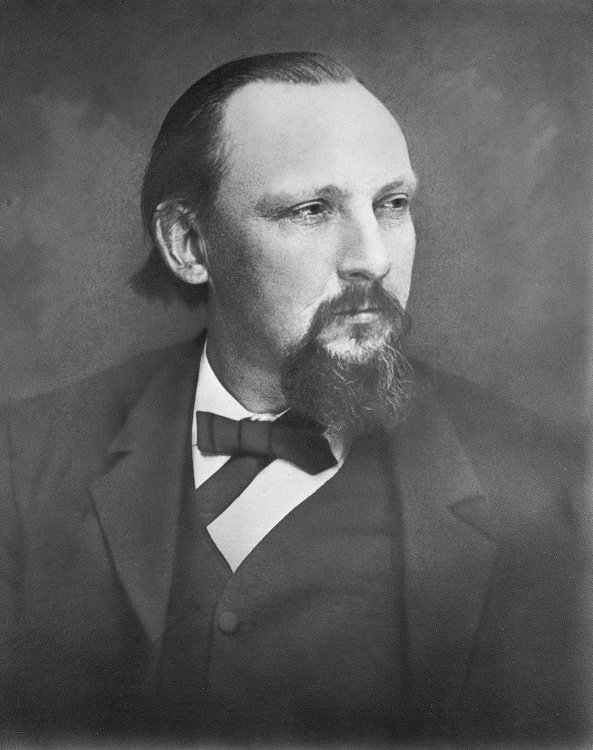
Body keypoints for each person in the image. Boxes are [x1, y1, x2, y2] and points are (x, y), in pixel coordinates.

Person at [0, 52, 589, 745]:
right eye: (312, 210)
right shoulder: (23, 461)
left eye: (392, 205)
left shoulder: (549, 489)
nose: (372, 258)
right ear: (189, 244)